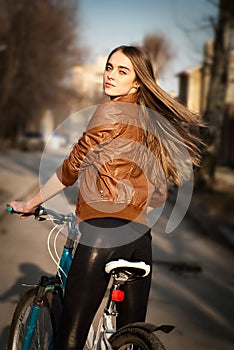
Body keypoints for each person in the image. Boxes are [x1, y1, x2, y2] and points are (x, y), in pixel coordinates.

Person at [8, 45, 204, 349]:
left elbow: (71, 167)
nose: (110, 75)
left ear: (138, 82)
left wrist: (31, 202)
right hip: (141, 242)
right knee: (131, 340)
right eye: (109, 67)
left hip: (100, 235)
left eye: (122, 71)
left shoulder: (109, 111)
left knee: (69, 337)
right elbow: (159, 194)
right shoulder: (151, 123)